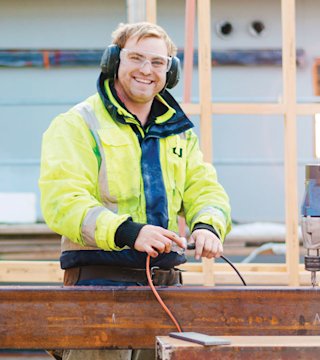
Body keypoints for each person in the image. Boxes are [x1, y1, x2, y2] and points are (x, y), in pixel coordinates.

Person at [39, 22, 231, 360]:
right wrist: (127, 232)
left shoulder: (179, 133)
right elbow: (63, 201)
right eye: (136, 58)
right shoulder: (77, 124)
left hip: (166, 292)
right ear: (114, 61)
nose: (147, 70)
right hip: (98, 289)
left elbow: (204, 188)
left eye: (158, 62)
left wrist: (208, 225)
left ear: (169, 71)